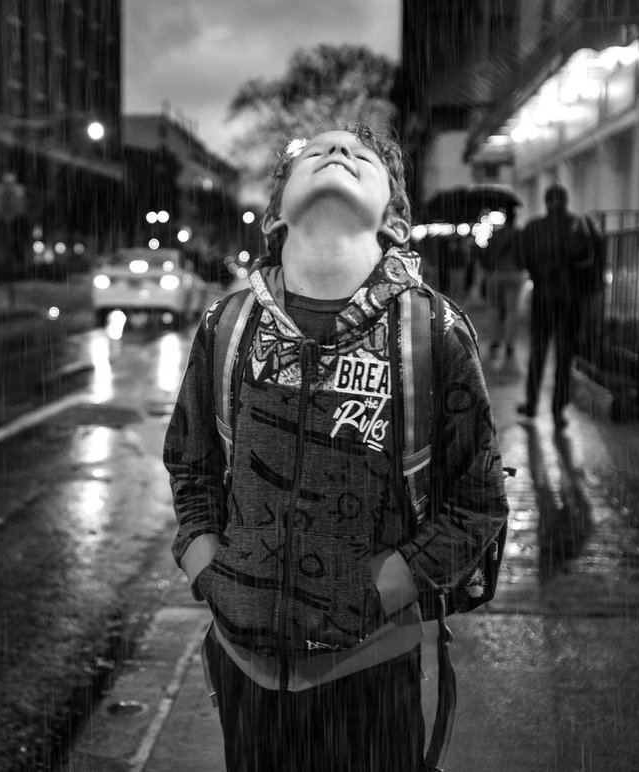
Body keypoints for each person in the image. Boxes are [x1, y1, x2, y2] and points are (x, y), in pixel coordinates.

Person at [163, 126, 510, 771]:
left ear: (396, 219)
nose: (338, 153)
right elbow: (192, 464)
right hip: (245, 671)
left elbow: (477, 500)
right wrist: (206, 565)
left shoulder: (431, 334)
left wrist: (385, 587)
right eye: (314, 152)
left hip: (371, 672)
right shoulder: (227, 326)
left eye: (363, 156)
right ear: (275, 214)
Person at [515, 184, 604, 428]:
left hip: (543, 296)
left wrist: (539, 272)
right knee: (565, 354)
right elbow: (590, 258)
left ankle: (532, 404)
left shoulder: (534, 227)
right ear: (566, 200)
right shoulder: (578, 225)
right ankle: (558, 407)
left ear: (546, 201)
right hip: (570, 298)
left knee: (538, 352)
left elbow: (522, 259)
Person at [477, 205, 526, 372]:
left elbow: (485, 254)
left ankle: (495, 341)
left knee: (494, 309)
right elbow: (525, 255)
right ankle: (510, 345)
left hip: (497, 275)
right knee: (513, 311)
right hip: (515, 275)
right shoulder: (520, 235)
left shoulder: (496, 235)